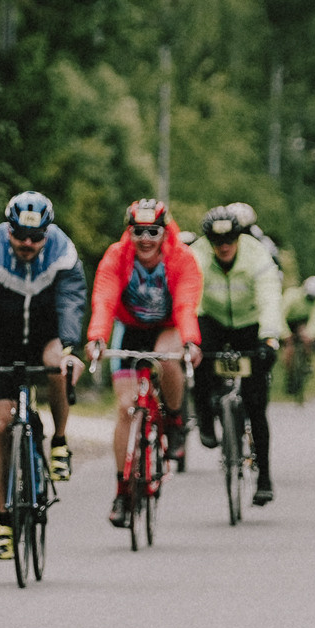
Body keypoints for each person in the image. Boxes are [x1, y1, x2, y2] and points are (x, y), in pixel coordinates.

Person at [0, 190, 87, 560]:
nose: (28, 244)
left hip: (47, 338)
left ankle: (60, 441)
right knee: (1, 426)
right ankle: (4, 520)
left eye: (36, 237)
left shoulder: (62, 250)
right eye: (20, 236)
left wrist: (68, 347)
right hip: (6, 342)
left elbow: (71, 300)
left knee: (57, 367)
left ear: (47, 233)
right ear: (9, 229)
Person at [85, 198, 201, 528]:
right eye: (138, 232)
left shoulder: (182, 258)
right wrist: (97, 337)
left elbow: (186, 305)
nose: (146, 239)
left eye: (153, 231)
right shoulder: (116, 256)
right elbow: (104, 299)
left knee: (167, 361)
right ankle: (123, 490)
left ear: (165, 232)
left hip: (166, 327)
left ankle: (176, 422)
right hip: (130, 329)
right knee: (125, 409)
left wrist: (191, 340)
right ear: (129, 232)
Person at [185, 207, 283, 506]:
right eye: (217, 241)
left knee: (256, 404)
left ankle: (264, 477)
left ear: (239, 237)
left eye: (230, 239)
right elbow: (188, 297)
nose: (224, 246)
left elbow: (269, 297)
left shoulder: (257, 255)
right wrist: (190, 338)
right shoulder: (197, 255)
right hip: (211, 317)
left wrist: (269, 337)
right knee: (199, 360)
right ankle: (204, 415)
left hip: (249, 322)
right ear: (208, 240)